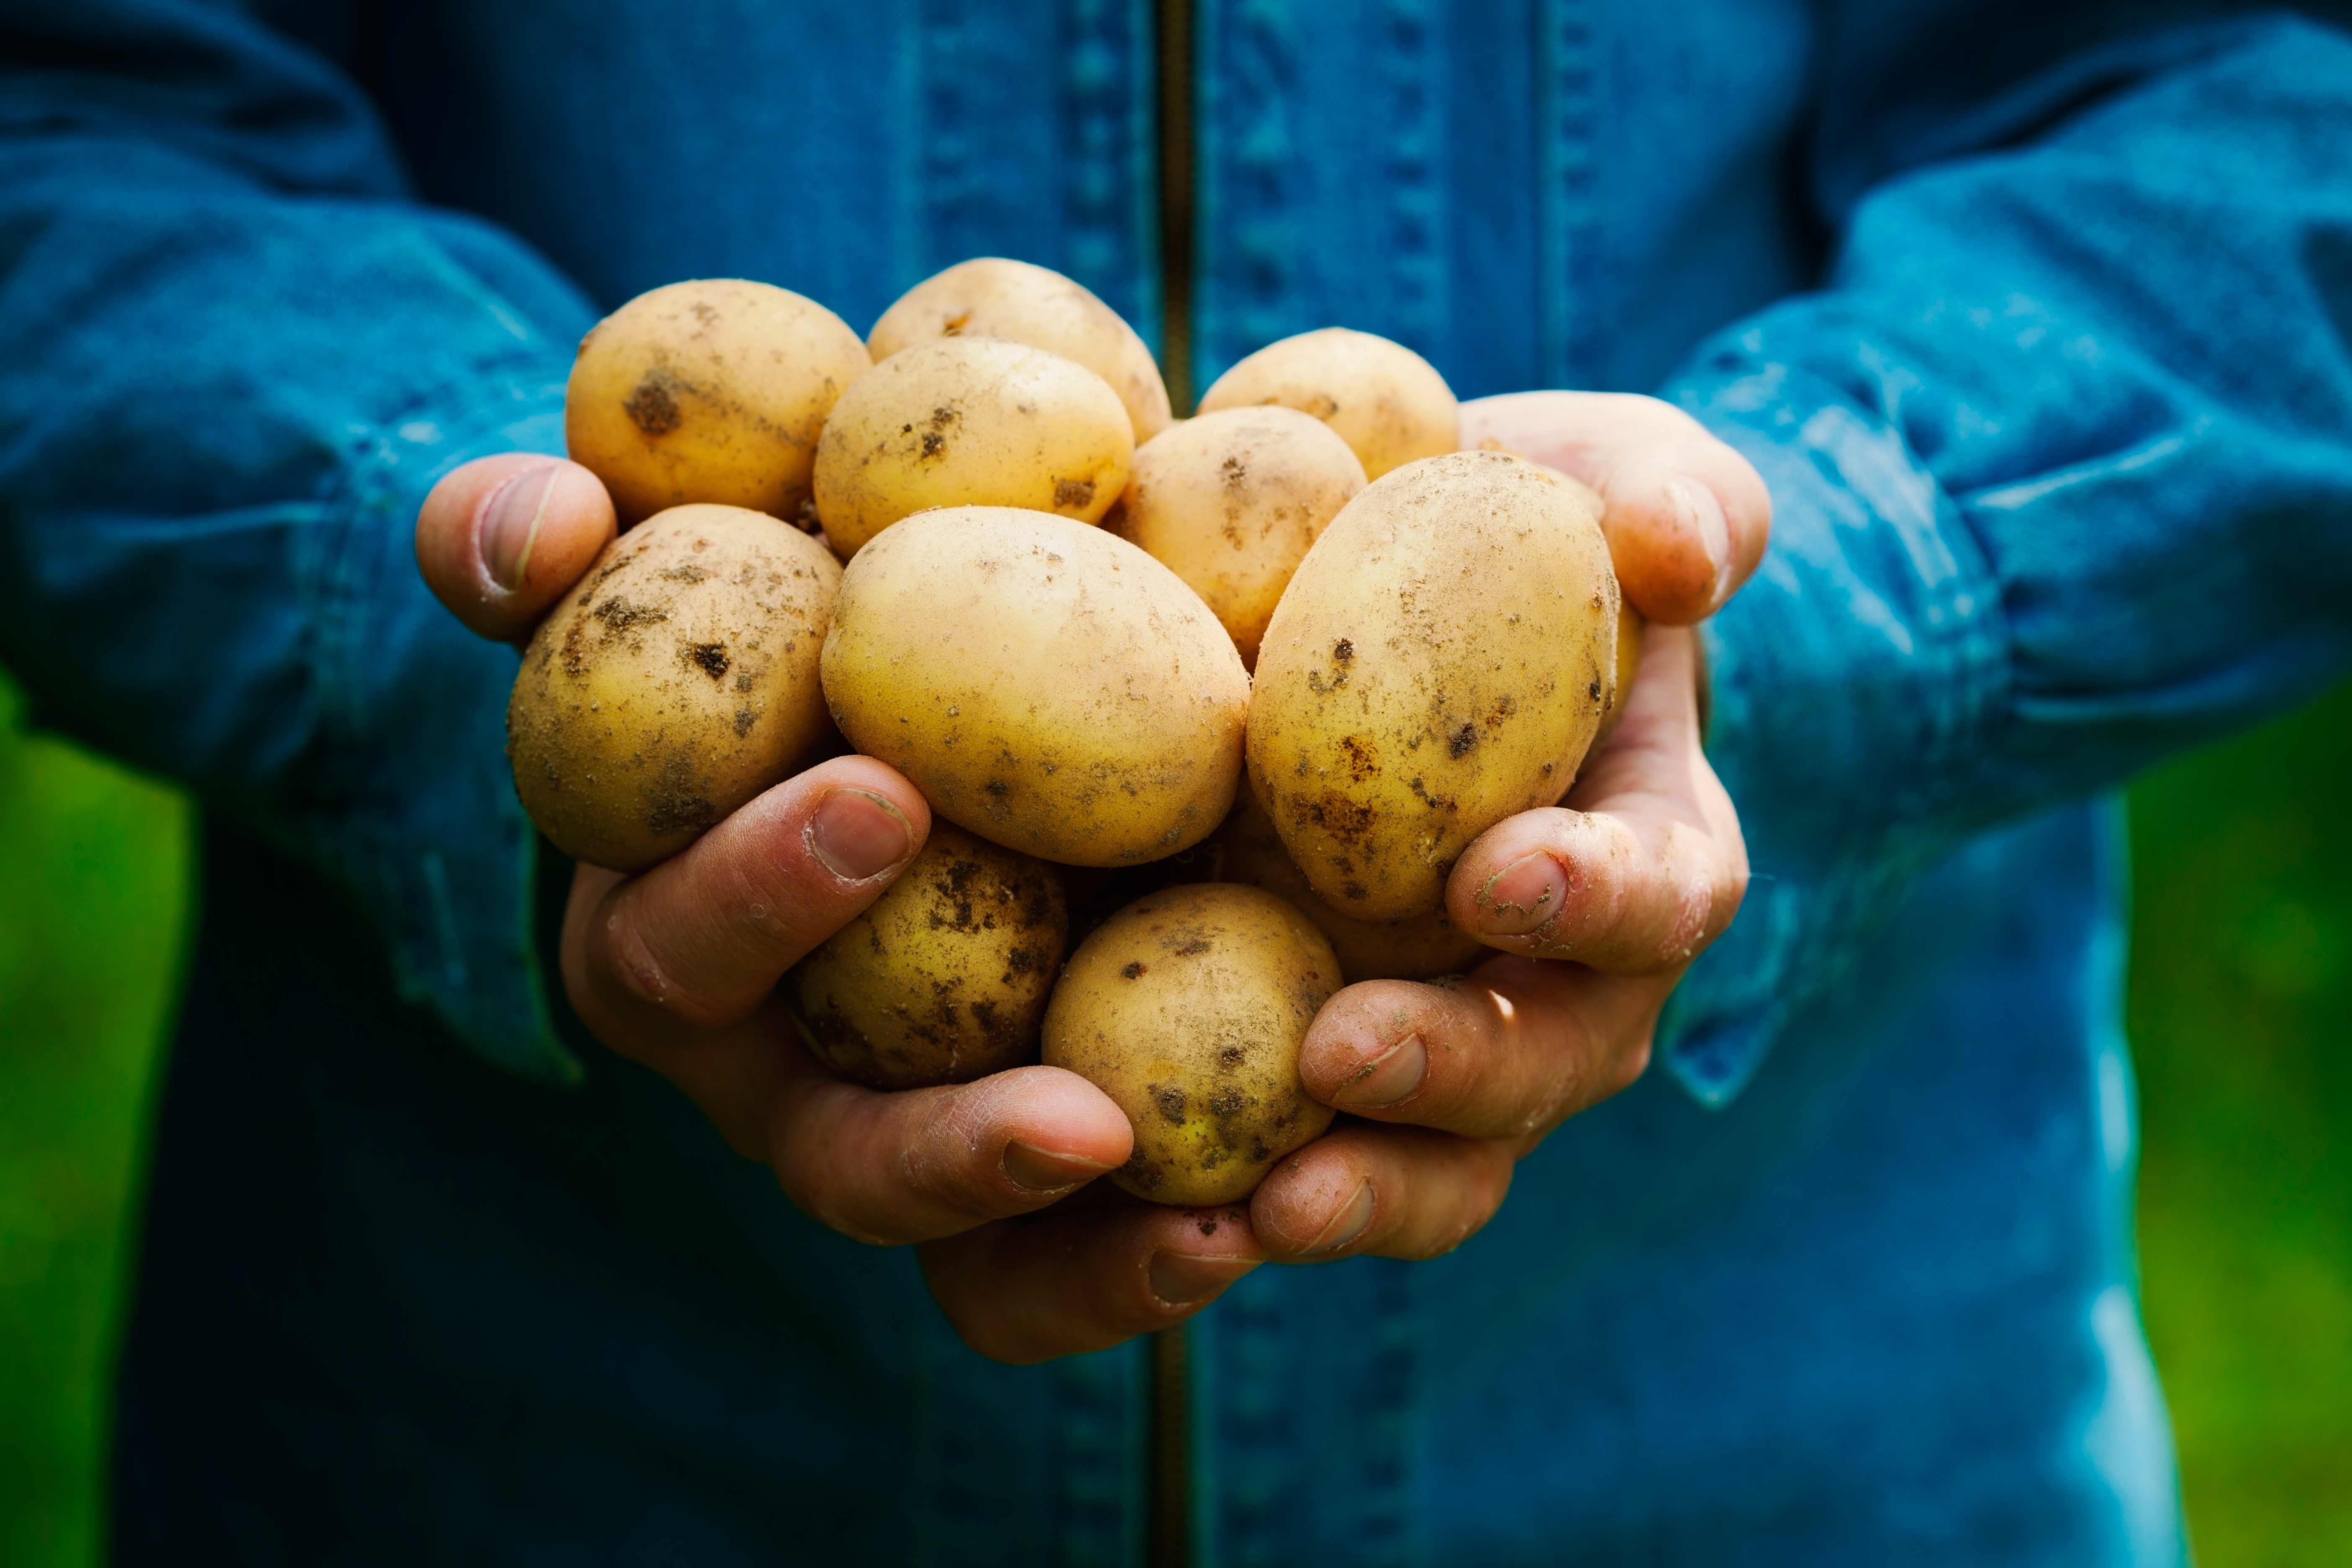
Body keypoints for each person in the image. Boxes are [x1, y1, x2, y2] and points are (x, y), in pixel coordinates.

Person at [4, 0, 2349, 1561]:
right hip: (520, 1417)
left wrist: (1811, 588)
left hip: (1805, 1422)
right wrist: (462, 613)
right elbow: (73, 104)